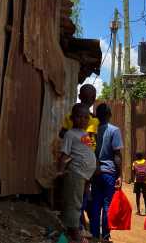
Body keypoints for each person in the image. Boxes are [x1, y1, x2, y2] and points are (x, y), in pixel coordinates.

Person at [56, 104, 97, 243]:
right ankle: (74, 232)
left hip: (84, 175)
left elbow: (88, 151)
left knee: (78, 201)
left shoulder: (85, 134)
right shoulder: (70, 134)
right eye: (79, 117)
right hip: (76, 172)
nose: (83, 120)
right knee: (74, 202)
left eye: (86, 118)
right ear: (72, 118)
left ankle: (71, 229)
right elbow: (64, 155)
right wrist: (60, 171)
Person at [90, 103, 123, 241]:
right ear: (110, 115)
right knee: (107, 205)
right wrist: (119, 174)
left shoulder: (92, 130)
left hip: (94, 172)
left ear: (97, 115)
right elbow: (117, 154)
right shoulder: (114, 130)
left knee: (95, 204)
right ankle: (105, 236)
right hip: (109, 173)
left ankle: (94, 235)